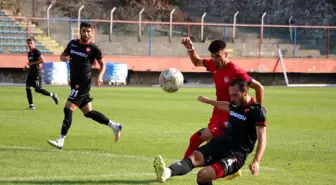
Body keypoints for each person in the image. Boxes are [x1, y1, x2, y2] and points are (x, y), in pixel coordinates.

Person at [153, 78, 267, 184]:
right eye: (230, 95)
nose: (232, 98)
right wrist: (209, 101)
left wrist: (256, 161)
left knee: (203, 175)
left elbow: (262, 139)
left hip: (235, 155)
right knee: (194, 157)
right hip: (220, 144)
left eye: (235, 95)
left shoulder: (256, 111)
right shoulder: (235, 103)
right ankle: (166, 172)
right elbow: (226, 105)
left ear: (245, 92)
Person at [181, 38, 264, 163]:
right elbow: (196, 61)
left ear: (225, 54)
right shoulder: (214, 65)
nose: (215, 59)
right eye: (213, 56)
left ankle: (179, 167)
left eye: (218, 56)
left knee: (197, 138)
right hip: (218, 112)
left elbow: (259, 87)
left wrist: (257, 112)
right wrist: (190, 48)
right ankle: (227, 165)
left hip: (230, 115)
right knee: (211, 147)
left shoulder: (236, 70)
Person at [47, 22, 122, 149]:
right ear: (80, 31)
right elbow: (62, 55)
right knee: (88, 112)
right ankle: (114, 126)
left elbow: (103, 64)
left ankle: (61, 140)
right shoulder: (72, 44)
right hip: (74, 83)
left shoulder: (93, 48)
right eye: (84, 31)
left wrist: (100, 76)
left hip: (82, 85)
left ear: (91, 33)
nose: (86, 34)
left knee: (68, 108)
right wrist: (64, 58)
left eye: (88, 31)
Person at [24, 38, 59, 110]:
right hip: (31, 73)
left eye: (31, 43)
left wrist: (31, 63)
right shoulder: (29, 53)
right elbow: (30, 63)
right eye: (28, 43)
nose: (29, 45)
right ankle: (31, 105)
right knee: (27, 88)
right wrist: (26, 66)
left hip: (36, 73)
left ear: (34, 44)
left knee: (37, 89)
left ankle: (53, 95)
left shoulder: (36, 51)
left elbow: (42, 60)